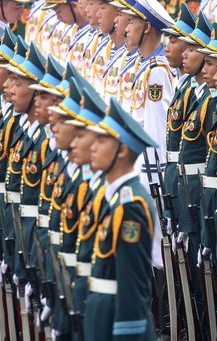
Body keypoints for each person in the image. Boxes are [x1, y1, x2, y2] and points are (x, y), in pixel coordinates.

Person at [84, 99, 158, 340]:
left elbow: (133, 284)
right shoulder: (114, 198)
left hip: (119, 324)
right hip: (102, 316)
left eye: (102, 141)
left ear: (123, 150)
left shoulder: (130, 206)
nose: (92, 147)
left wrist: (127, 333)